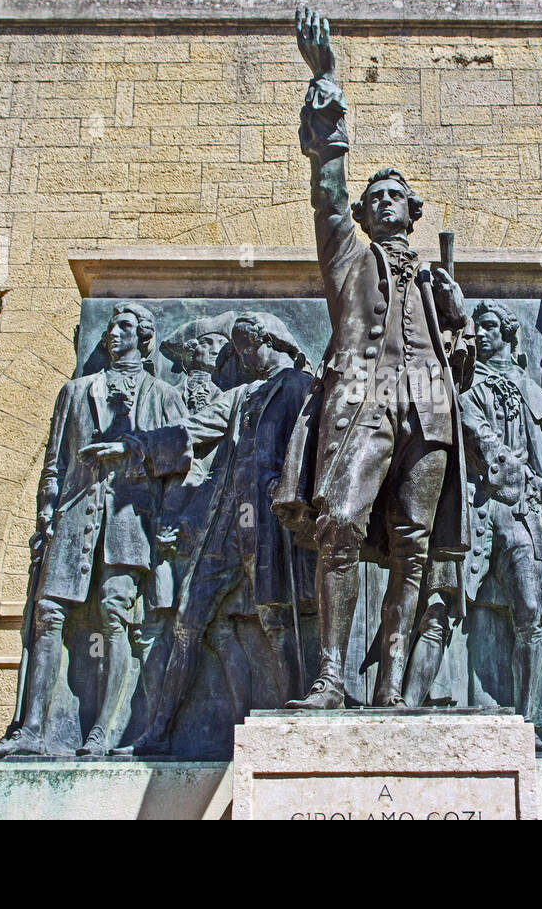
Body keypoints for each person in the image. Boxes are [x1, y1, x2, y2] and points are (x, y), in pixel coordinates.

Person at [272, 8, 474, 708]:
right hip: (363, 398)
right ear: (364, 215)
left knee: (416, 544)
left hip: (430, 407)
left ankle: (391, 684)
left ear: (412, 212)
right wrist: (326, 82)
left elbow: (459, 365)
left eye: (397, 194)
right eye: (375, 196)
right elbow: (327, 187)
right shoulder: (347, 258)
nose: (385, 201)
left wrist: (459, 330)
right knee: (342, 521)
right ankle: (331, 675)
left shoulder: (432, 280)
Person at [0, 302, 190, 759]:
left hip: (130, 522)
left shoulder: (163, 395)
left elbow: (180, 463)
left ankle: (105, 730)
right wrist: (46, 514)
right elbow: (53, 464)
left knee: (116, 613)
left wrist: (142, 473)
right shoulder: (75, 392)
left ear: (144, 336)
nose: (113, 333)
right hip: (74, 520)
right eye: (112, 325)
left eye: (125, 326)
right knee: (49, 614)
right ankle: (32, 728)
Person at [122, 313, 316, 754]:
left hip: (269, 524)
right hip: (227, 522)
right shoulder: (240, 395)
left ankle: (296, 722)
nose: (245, 357)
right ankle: (159, 732)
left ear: (274, 343)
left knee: (277, 619)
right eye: (240, 348)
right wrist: (135, 445)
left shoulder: (301, 389)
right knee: (189, 620)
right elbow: (193, 429)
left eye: (250, 346)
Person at [407, 301, 542, 747]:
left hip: (523, 517)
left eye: (493, 326)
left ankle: (535, 724)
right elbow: (479, 439)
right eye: (480, 327)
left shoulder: (533, 394)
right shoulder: (461, 387)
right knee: (437, 609)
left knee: (532, 615)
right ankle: (404, 708)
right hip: (472, 511)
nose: (485, 333)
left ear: (510, 334)